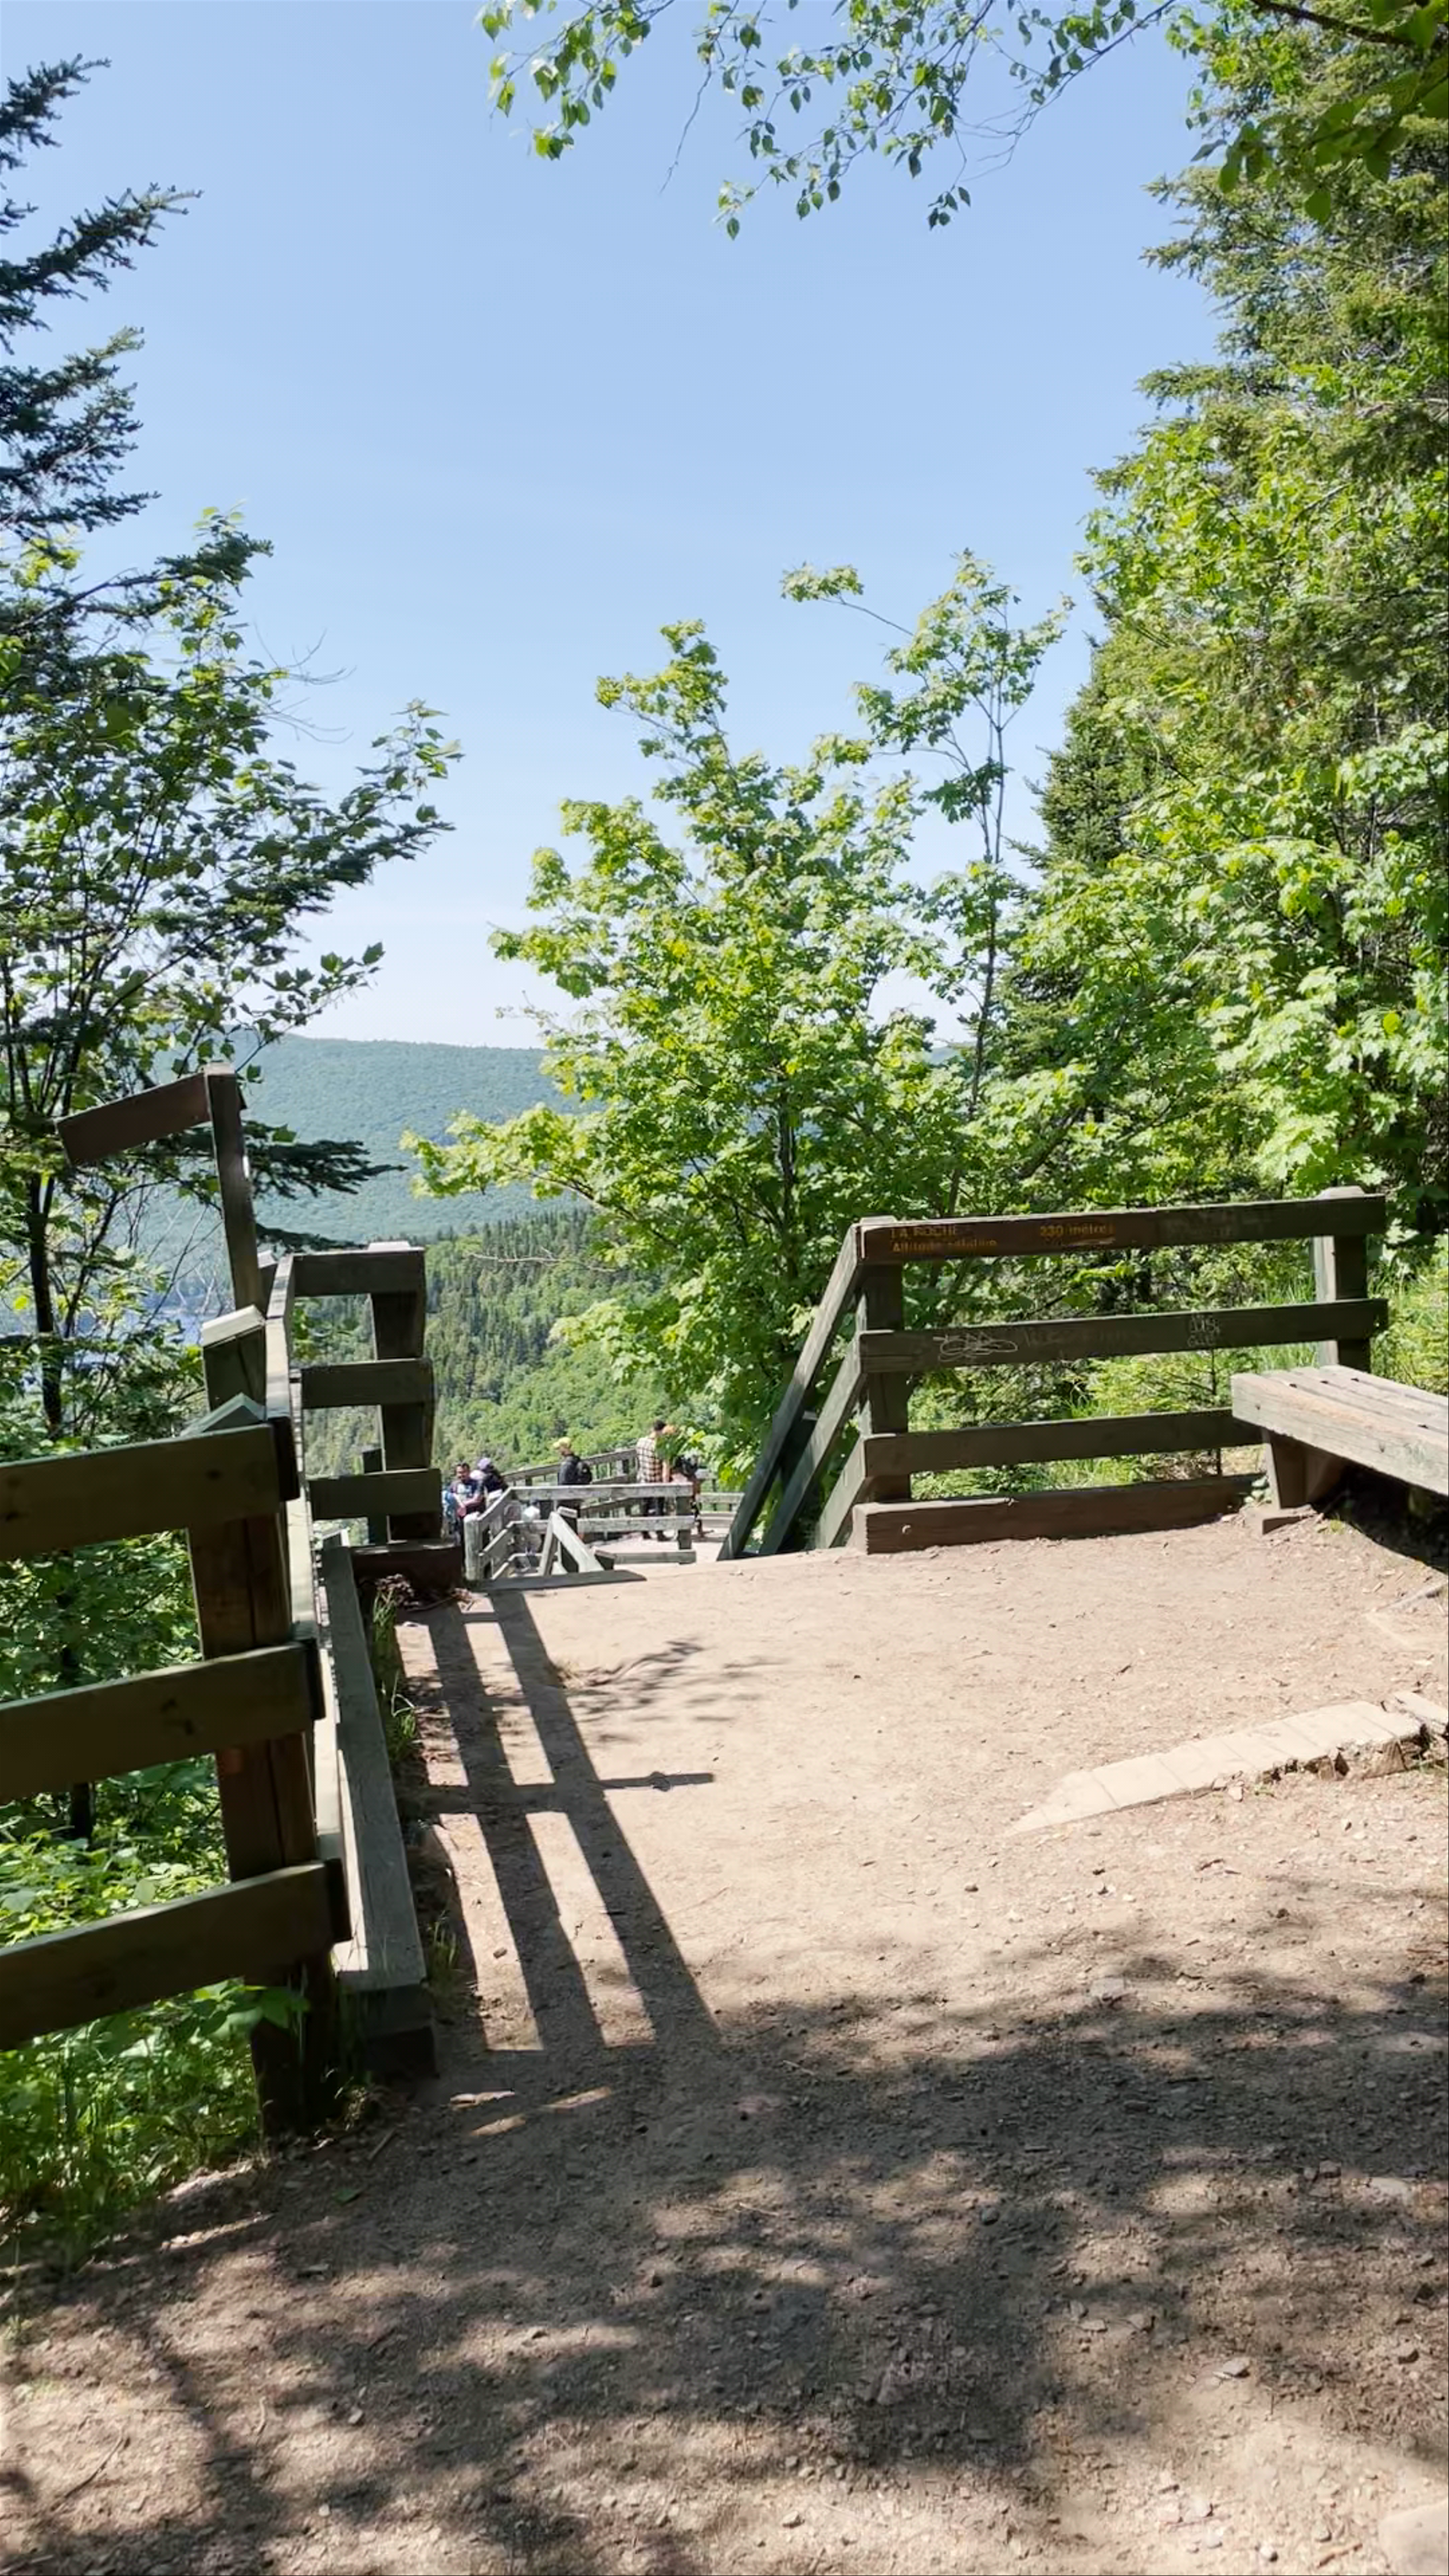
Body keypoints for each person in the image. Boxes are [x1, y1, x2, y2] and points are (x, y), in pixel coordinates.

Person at [635, 1416, 674, 1536]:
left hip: (643, 1479)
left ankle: (644, 1532)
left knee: (645, 1506)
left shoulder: (641, 1442)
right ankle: (660, 1533)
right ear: (660, 1431)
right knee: (659, 1508)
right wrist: (666, 1485)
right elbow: (666, 1469)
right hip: (657, 1481)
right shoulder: (660, 1447)